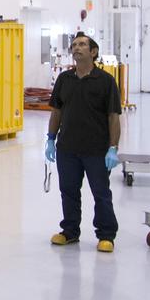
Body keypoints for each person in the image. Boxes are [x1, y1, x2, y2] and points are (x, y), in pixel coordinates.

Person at [45, 32, 121, 253]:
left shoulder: (106, 81)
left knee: (101, 193)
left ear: (93, 52)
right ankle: (69, 231)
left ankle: (106, 234)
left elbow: (113, 117)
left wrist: (113, 148)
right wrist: (50, 139)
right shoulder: (64, 79)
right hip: (67, 148)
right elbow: (56, 111)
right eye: (74, 45)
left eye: (82, 45)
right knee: (68, 191)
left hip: (96, 149)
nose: (76, 48)